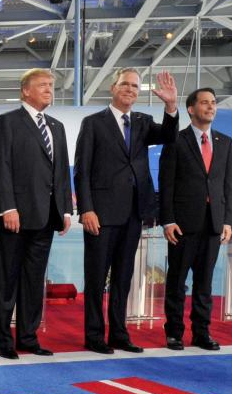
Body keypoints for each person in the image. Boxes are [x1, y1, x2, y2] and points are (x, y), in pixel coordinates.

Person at [74, 69, 180, 354]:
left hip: (134, 212)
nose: (131, 89)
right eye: (126, 84)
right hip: (102, 214)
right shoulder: (93, 123)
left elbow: (170, 136)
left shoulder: (143, 123)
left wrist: (170, 106)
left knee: (123, 277)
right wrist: (87, 209)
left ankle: (119, 334)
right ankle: (95, 336)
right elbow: (82, 171)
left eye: (135, 86)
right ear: (113, 88)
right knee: (97, 277)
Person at [0, 68, 73, 359]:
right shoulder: (7, 122)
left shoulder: (57, 126)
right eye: (43, 85)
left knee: (33, 281)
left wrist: (65, 210)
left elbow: (61, 172)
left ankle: (27, 336)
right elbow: (1, 166)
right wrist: (8, 207)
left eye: (51, 85)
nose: (49, 89)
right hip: (14, 217)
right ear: (25, 90)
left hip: (46, 217)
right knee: (7, 281)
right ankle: (3, 341)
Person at [158, 86, 232, 351]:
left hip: (213, 224)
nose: (211, 107)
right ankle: (174, 333)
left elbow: (228, 185)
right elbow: (166, 183)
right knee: (177, 282)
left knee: (205, 283)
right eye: (205, 103)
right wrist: (167, 220)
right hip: (182, 224)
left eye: (213, 103)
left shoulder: (225, 142)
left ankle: (202, 333)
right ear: (191, 109)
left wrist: (227, 221)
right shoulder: (176, 140)